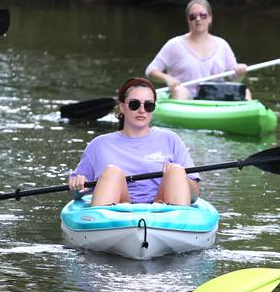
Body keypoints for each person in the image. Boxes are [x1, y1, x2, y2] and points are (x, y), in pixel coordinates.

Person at [68, 77, 199, 206]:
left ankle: (174, 223)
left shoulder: (171, 139)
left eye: (148, 105)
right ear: (121, 107)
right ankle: (104, 223)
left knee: (176, 170)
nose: (142, 110)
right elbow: (75, 194)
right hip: (116, 211)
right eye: (134, 104)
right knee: (112, 172)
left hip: (163, 210)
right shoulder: (98, 145)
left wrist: (179, 176)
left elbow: (193, 196)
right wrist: (78, 184)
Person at [146, 0, 249, 100]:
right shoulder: (174, 44)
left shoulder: (222, 44)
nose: (198, 19)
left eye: (202, 15)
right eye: (192, 16)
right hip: (186, 98)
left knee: (245, 91)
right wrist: (167, 78)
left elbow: (236, 79)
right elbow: (151, 70)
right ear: (188, 20)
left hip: (216, 97)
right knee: (180, 91)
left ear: (210, 18)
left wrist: (240, 72)